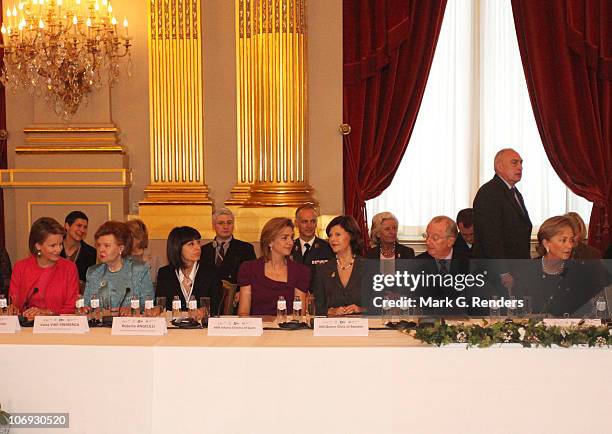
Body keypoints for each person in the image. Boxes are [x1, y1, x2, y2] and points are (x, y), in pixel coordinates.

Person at [514, 216, 603, 317]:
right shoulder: (525, 271)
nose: (569, 246)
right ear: (546, 243)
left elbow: (587, 313)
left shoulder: (579, 272)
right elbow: (518, 313)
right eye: (563, 240)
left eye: (571, 240)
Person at [473, 148, 533, 290]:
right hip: (498, 274)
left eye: (521, 163)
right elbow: (491, 237)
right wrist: (503, 271)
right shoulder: (489, 193)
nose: (520, 167)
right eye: (514, 162)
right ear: (499, 166)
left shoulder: (513, 192)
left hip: (516, 268)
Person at [7, 217, 79, 320]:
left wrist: (47, 313)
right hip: (26, 329)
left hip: (58, 328)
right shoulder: (20, 267)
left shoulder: (69, 268)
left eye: (60, 244)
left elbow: (71, 308)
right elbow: (14, 303)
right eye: (53, 245)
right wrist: (12, 309)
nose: (58, 249)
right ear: (38, 246)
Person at [237, 218, 310, 316]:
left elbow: (299, 315)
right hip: (257, 329)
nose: (291, 242)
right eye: (285, 238)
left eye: (292, 237)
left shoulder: (300, 272)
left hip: (289, 330)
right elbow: (243, 312)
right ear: (270, 242)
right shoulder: (249, 269)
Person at [84, 221, 154, 310]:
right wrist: (84, 309)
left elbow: (149, 305)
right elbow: (86, 305)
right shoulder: (93, 272)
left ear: (121, 248)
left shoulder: (139, 270)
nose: (101, 249)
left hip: (130, 323)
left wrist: (133, 310)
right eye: (98, 245)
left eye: (106, 246)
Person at [156, 226, 222, 315]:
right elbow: (161, 305)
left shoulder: (211, 272)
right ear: (177, 247)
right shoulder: (165, 274)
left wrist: (203, 311)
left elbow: (216, 306)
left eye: (198, 242)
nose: (198, 247)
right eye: (191, 244)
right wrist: (156, 309)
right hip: (173, 326)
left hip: (202, 326)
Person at [312, 215, 367, 316]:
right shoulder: (323, 270)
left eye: (337, 234)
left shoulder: (368, 268)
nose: (332, 239)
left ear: (351, 235)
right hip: (331, 329)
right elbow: (316, 308)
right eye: (330, 235)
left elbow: (380, 305)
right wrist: (330, 311)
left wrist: (360, 309)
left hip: (363, 328)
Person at [201, 208, 256, 284]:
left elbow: (252, 277)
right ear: (213, 226)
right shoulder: (203, 250)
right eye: (220, 223)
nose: (226, 227)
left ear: (233, 225)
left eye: (229, 223)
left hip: (235, 294)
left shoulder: (246, 249)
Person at [60, 210, 97, 289]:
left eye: (85, 227)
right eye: (79, 225)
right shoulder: (54, 249)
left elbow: (91, 282)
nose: (82, 230)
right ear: (67, 226)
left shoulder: (91, 253)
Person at [126, 218, 160, 284]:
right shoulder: (121, 256)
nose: (125, 240)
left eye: (128, 237)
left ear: (139, 238)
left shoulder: (154, 256)